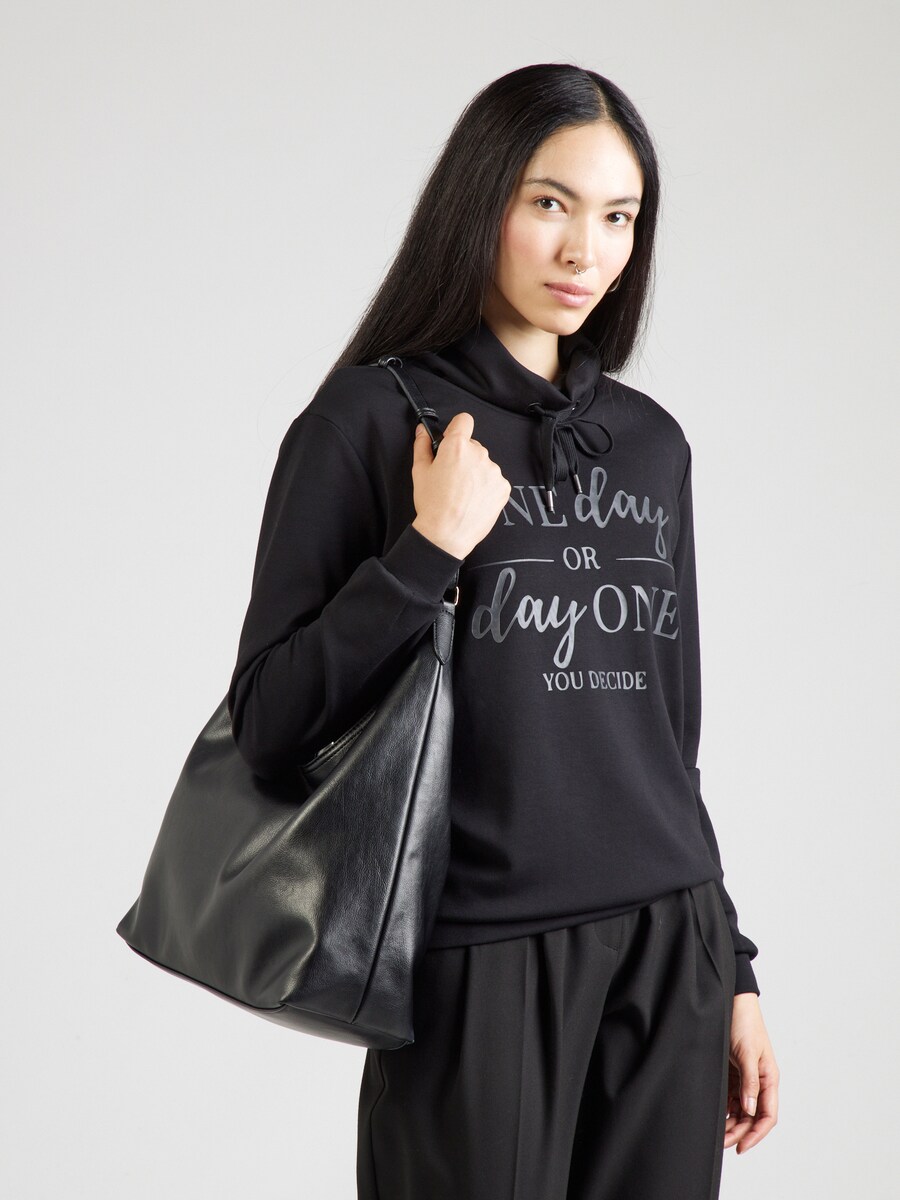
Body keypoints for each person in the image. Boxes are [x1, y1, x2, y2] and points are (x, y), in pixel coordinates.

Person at [227, 63, 779, 1200]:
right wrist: (426, 552)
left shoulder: (651, 445)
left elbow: (669, 742)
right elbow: (270, 723)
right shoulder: (368, 421)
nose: (586, 251)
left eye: (618, 216)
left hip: (669, 948)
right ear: (480, 201)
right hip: (477, 955)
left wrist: (734, 966)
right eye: (550, 204)